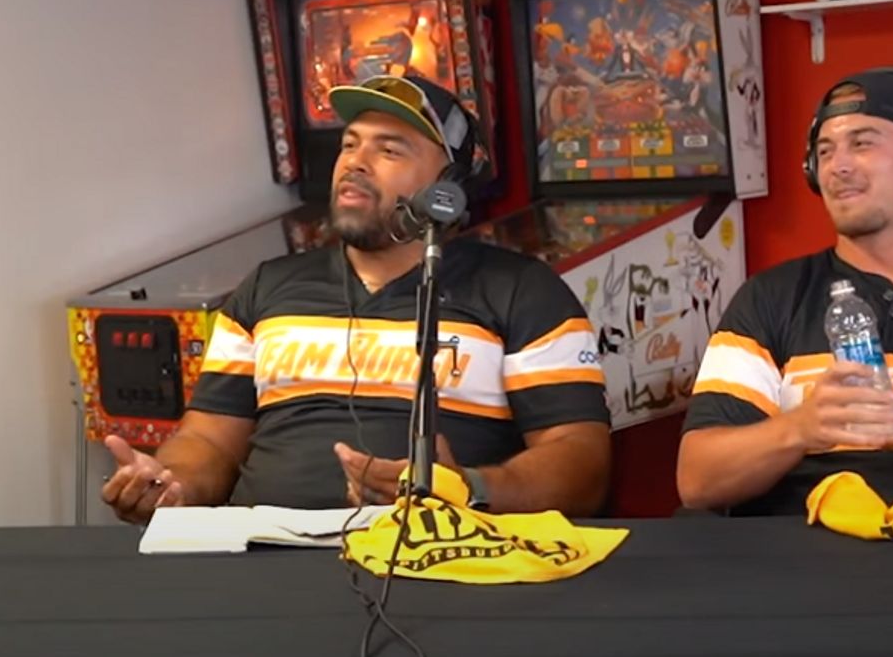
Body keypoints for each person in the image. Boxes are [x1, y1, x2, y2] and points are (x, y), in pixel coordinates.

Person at [102, 74, 611, 523]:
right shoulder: (267, 288)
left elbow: (582, 462)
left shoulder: (523, 291)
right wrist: (172, 484)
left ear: (447, 184)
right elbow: (209, 440)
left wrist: (470, 489)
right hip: (263, 564)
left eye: (389, 150)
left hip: (441, 564)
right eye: (350, 145)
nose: (356, 163)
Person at [677, 66, 893, 516]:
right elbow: (697, 481)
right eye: (825, 151)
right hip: (805, 565)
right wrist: (801, 429)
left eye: (862, 143)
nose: (837, 166)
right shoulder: (769, 299)